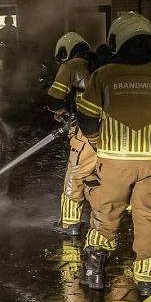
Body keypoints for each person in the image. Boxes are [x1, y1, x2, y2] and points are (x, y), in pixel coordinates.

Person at [75, 12, 151, 296]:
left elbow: (87, 118)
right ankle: (147, 280)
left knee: (106, 212)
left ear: (118, 40)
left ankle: (94, 272)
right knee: (148, 217)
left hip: (114, 160)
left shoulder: (103, 76)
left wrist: (97, 142)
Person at [47, 31, 95, 237]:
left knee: (74, 176)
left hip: (85, 133)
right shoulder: (100, 65)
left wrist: (61, 112)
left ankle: (69, 224)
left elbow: (55, 97)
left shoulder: (71, 66)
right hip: (111, 132)